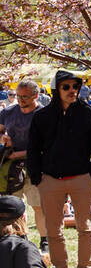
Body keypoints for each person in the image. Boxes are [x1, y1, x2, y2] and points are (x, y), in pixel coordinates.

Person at [27, 70, 91, 268]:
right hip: (50, 179)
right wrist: (38, 178)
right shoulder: (42, 116)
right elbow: (33, 149)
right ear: (57, 90)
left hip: (82, 178)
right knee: (53, 230)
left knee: (85, 228)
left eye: (75, 86)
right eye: (66, 87)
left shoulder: (89, 113)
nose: (72, 90)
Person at [0, 79, 48, 250]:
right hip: (12, 168)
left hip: (37, 167)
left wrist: (19, 153)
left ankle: (45, 241)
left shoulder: (44, 115)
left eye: (25, 97)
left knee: (38, 206)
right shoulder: (8, 112)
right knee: (15, 207)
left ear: (36, 95)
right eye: (18, 96)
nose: (20, 100)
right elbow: (0, 132)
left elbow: (47, 146)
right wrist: (4, 140)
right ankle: (22, 238)